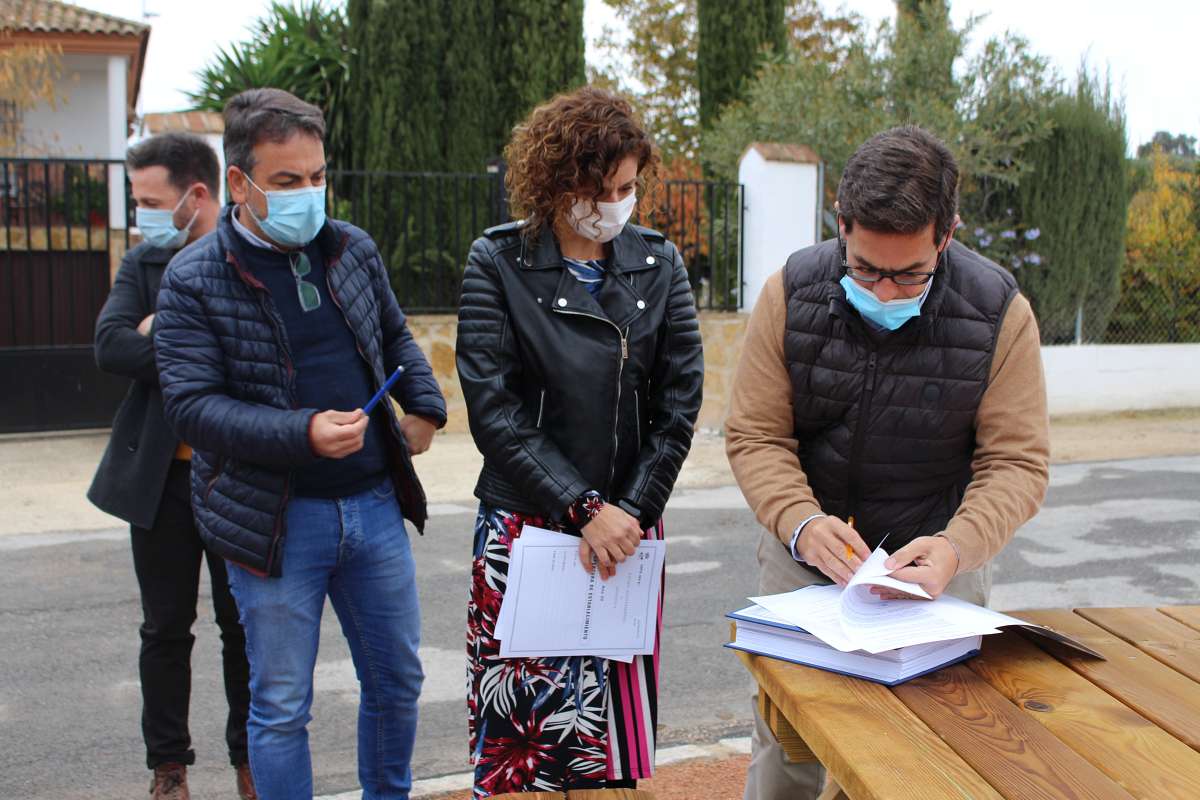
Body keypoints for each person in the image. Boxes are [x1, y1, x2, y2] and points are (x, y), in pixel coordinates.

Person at [725, 126, 1050, 800]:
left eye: (910, 274)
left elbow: (1016, 463)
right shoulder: (791, 291)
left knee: (912, 754)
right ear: (841, 224)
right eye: (866, 268)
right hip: (805, 551)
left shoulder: (999, 314)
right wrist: (800, 522)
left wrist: (957, 547)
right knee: (788, 745)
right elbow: (757, 434)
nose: (889, 291)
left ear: (947, 236)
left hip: (936, 564)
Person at [153, 88, 446, 800]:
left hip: (374, 506)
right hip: (275, 521)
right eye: (287, 182)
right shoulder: (192, 278)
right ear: (239, 184)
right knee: (282, 704)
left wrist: (426, 407)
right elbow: (192, 409)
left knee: (398, 680)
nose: (308, 194)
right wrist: (303, 433)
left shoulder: (351, 247)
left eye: (317, 177)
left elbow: (393, 334)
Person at [456, 86, 704, 797]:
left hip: (627, 529)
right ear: (556, 182)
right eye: (600, 188)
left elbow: (679, 404)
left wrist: (627, 510)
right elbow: (495, 410)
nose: (616, 202)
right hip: (528, 526)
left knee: (611, 748)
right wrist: (583, 508)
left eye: (627, 186)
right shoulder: (499, 262)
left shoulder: (659, 265)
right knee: (523, 746)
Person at [88, 133, 253, 800]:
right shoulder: (143, 263)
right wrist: (200, 355)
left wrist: (169, 337)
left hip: (239, 477)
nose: (142, 214)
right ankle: (169, 769)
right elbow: (109, 346)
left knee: (243, 627)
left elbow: (258, 359)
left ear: (199, 195)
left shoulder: (248, 257)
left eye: (151, 201)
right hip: (161, 481)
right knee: (164, 629)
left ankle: (250, 761)